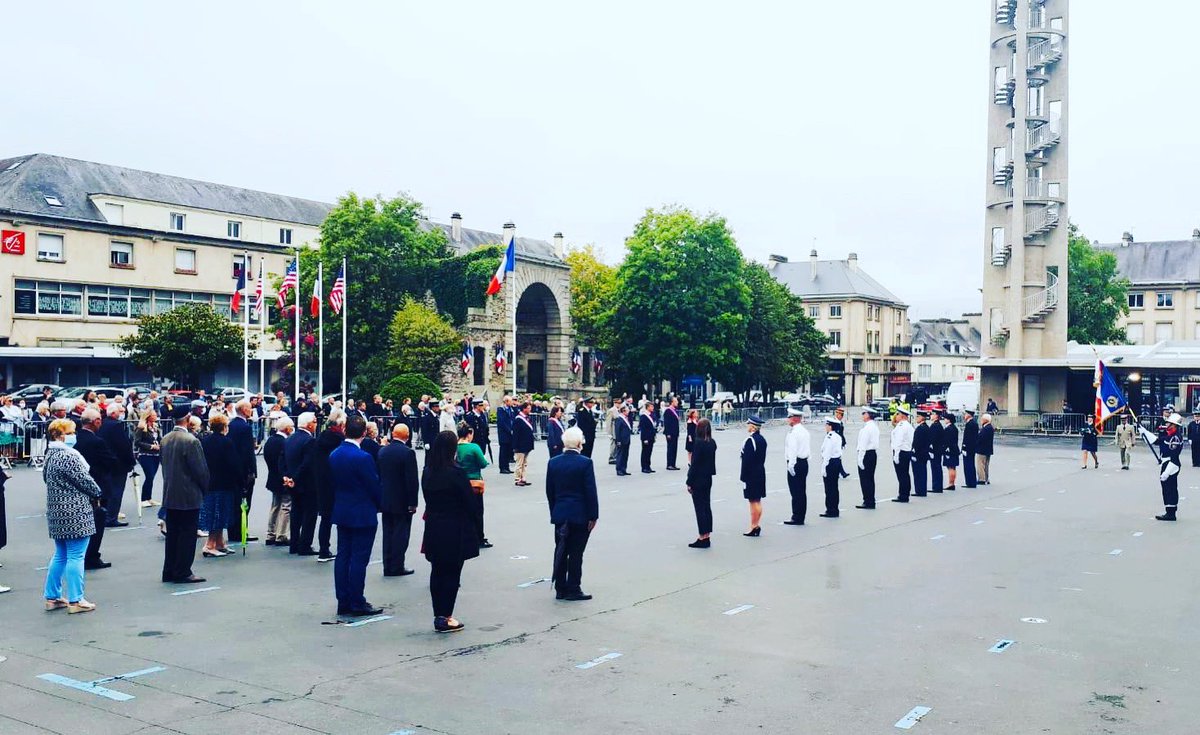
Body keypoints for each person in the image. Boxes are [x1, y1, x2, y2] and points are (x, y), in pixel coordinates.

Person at [40, 419, 103, 612]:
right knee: (76, 555)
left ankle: (52, 596)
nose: (74, 435)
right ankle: (76, 600)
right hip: (75, 510)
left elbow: (45, 478)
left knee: (60, 554)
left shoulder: (50, 454)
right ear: (59, 435)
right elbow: (86, 481)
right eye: (70, 432)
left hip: (56, 510)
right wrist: (98, 493)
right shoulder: (69, 456)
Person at [421, 431, 481, 633]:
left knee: (437, 571)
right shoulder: (456, 472)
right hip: (454, 526)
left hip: (434, 524)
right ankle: (446, 615)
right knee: (452, 573)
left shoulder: (428, 471)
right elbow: (469, 502)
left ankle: (438, 613)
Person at [329, 415, 384, 617]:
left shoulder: (335, 454)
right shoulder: (363, 457)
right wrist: (380, 504)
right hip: (362, 511)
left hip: (343, 509)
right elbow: (373, 485)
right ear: (364, 433)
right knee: (359, 559)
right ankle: (357, 600)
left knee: (343, 556)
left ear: (345, 430)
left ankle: (343, 599)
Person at [546, 427, 598, 600]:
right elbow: (590, 491)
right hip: (579, 514)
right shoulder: (585, 462)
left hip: (561, 512)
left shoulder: (553, 462)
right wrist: (593, 515)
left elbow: (550, 491)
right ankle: (574, 587)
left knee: (561, 550)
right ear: (579, 443)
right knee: (576, 552)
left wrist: (554, 511)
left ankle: (560, 588)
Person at [160, 405, 209, 584]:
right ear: (188, 419)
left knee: (173, 534)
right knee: (187, 534)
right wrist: (205, 488)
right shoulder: (191, 441)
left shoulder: (165, 439)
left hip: (170, 492)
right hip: (188, 494)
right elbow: (200, 470)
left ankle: (169, 570)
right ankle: (183, 571)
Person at [73, 409, 115, 570]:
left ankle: (83, 554)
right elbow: (109, 461)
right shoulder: (97, 442)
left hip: (79, 486)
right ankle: (92, 556)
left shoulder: (76, 438)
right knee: (97, 524)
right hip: (97, 484)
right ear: (94, 421)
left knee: (82, 523)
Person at [378, 423, 419, 576]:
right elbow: (411, 480)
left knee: (387, 533)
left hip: (386, 497)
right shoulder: (407, 453)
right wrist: (413, 502)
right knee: (401, 534)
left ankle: (387, 565)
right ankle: (397, 565)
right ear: (407, 435)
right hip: (402, 500)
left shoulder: (383, 451)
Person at [199, 414, 239, 557]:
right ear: (224, 427)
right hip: (224, 482)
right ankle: (209, 544)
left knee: (215, 511)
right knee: (219, 513)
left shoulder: (205, 441)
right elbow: (233, 463)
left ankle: (220, 542)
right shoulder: (227, 442)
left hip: (209, 481)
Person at [313, 409, 347, 562]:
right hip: (334, 481)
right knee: (340, 518)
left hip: (322, 481)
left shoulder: (321, 437)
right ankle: (337, 548)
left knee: (325, 518)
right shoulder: (339, 440)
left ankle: (324, 548)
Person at [284, 412, 320, 556]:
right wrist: (295, 478)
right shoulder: (310, 441)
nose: (316, 424)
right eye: (314, 421)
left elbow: (283, 459)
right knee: (309, 514)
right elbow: (307, 463)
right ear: (309, 424)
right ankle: (305, 545)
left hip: (292, 481)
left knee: (296, 512)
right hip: (306, 482)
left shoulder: (289, 439)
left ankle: (294, 543)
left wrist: (286, 476)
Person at [98, 404, 135, 527]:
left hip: (105, 463)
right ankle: (111, 517)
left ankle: (104, 516)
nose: (122, 413)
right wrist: (131, 461)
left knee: (107, 490)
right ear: (114, 413)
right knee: (116, 492)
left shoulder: (103, 423)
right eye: (120, 411)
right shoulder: (116, 426)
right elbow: (123, 445)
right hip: (118, 464)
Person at [227, 401, 258, 545]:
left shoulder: (232, 424)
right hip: (244, 471)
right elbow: (247, 452)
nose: (251, 410)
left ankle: (234, 531)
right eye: (250, 408)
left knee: (234, 502)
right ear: (244, 410)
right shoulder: (245, 427)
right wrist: (251, 471)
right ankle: (241, 531)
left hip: (232, 469)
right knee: (244, 503)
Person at [456, 421, 492, 549]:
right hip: (474, 481)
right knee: (477, 512)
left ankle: (464, 536)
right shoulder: (474, 447)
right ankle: (479, 538)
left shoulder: (454, 447)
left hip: (459, 482)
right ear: (469, 434)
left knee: (462, 511)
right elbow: (483, 463)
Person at [686, 418, 717, 548]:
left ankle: (702, 536)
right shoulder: (712, 442)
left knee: (699, 508)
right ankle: (707, 535)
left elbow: (694, 465)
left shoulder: (698, 443)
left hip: (698, 478)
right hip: (708, 477)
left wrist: (689, 481)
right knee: (706, 506)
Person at [263, 417, 292, 546]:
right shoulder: (285, 442)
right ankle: (281, 534)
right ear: (287, 428)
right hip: (283, 477)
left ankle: (271, 533)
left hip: (272, 476)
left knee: (275, 505)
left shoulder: (270, 440)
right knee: (286, 506)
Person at [1150, 412, 1184, 521]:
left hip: (1171, 464)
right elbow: (1158, 441)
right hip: (1167, 463)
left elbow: (1174, 456)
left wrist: (1167, 471)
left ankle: (1171, 513)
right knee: (1166, 488)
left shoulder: (1175, 438)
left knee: (1170, 488)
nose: (1166, 424)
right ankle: (1169, 511)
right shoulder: (1170, 435)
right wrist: (1144, 432)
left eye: (1168, 423)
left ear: (1174, 425)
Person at [740, 416, 767, 536]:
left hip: (751, 474)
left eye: (748, 424)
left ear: (752, 427)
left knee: (753, 501)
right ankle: (756, 524)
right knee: (757, 500)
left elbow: (747, 460)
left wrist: (743, 476)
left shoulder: (750, 441)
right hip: (760, 471)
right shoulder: (762, 439)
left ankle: (754, 526)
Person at [783, 408, 810, 524]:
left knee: (795, 491)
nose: (788, 419)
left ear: (794, 419)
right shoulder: (804, 431)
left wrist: (791, 465)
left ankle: (796, 516)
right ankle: (801, 516)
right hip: (804, 462)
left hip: (795, 463)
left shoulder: (794, 433)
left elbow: (793, 450)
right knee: (801, 491)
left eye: (789, 417)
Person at [135, 410, 163, 508]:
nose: (156, 416)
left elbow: (159, 439)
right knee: (149, 476)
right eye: (154, 415)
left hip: (156, 455)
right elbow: (137, 442)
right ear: (148, 416)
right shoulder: (141, 428)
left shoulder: (155, 427)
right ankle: (143, 499)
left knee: (152, 477)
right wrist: (151, 446)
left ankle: (149, 498)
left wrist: (160, 444)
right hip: (145, 455)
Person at [856, 408, 879, 509]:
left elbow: (863, 444)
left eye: (863, 413)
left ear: (868, 415)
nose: (862, 415)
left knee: (865, 479)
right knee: (870, 478)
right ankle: (871, 500)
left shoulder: (867, 428)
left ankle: (867, 501)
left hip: (866, 454)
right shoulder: (874, 427)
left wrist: (860, 459)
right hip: (872, 454)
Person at [820, 417, 844, 518]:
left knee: (829, 488)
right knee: (834, 487)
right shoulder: (837, 436)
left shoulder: (830, 437)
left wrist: (824, 466)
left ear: (830, 426)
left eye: (826, 425)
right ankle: (834, 509)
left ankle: (831, 510)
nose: (825, 427)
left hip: (830, 462)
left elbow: (827, 453)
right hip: (836, 461)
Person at [891, 407, 914, 502]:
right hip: (906, 451)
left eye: (897, 414)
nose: (896, 416)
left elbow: (898, 441)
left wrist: (896, 454)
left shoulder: (902, 426)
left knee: (902, 475)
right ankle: (904, 494)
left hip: (901, 452)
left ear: (902, 416)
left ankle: (903, 495)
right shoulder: (908, 426)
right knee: (905, 474)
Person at [512, 402, 535, 487]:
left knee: (524, 463)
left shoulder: (527, 418)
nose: (530, 410)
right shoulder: (518, 419)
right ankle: (517, 479)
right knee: (519, 463)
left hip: (526, 445)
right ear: (524, 409)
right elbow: (515, 434)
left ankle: (523, 478)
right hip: (520, 445)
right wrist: (515, 446)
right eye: (528, 408)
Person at [911, 410, 931, 497]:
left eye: (918, 416)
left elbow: (918, 442)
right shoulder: (925, 427)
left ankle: (920, 490)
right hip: (923, 453)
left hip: (919, 454)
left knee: (919, 473)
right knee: (921, 472)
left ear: (922, 417)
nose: (916, 418)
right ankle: (921, 490)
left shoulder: (921, 428)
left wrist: (914, 452)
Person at [927, 408, 945, 492]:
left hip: (935, 450)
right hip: (937, 450)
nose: (931, 416)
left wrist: (931, 449)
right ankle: (937, 486)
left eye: (932, 414)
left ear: (936, 416)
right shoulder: (936, 425)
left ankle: (937, 486)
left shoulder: (936, 426)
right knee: (936, 467)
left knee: (936, 468)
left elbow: (933, 439)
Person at [960, 409, 979, 488]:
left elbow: (968, 437)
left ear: (969, 415)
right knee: (971, 464)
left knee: (968, 465)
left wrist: (964, 447)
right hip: (972, 447)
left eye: (965, 414)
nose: (964, 415)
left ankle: (970, 482)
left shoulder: (969, 424)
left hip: (968, 448)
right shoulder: (974, 423)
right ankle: (972, 481)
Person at [613, 404, 633, 476]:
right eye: (627, 410)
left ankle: (624, 469)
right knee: (620, 455)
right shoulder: (619, 419)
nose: (628, 412)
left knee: (625, 455)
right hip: (621, 440)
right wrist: (618, 441)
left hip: (626, 439)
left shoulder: (626, 418)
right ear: (623, 411)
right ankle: (619, 469)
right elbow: (617, 431)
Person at [976, 414, 995, 485]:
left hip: (982, 449)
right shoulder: (990, 427)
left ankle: (982, 479)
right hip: (987, 449)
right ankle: (986, 478)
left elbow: (981, 438)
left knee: (980, 464)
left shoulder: (986, 428)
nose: (981, 420)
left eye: (982, 419)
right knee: (986, 465)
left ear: (985, 420)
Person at [496, 396, 514, 473]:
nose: (512, 402)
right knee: (503, 451)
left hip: (510, 434)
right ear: (506, 401)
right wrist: (509, 430)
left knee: (508, 451)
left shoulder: (511, 409)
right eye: (510, 401)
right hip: (503, 434)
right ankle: (502, 467)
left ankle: (507, 467)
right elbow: (502, 422)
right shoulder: (501, 410)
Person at [941, 412, 959, 490]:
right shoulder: (954, 428)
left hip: (950, 450)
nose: (944, 420)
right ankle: (952, 483)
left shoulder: (949, 428)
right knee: (952, 467)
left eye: (945, 418)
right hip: (954, 449)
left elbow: (948, 440)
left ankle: (951, 484)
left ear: (949, 420)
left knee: (950, 467)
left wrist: (945, 448)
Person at [663, 397, 682, 471]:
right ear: (672, 402)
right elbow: (667, 423)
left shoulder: (675, 410)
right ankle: (669, 464)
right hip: (670, 433)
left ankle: (673, 464)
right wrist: (668, 433)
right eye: (676, 401)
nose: (677, 402)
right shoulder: (668, 411)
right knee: (670, 448)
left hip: (675, 433)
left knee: (674, 448)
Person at [638, 402, 657, 474]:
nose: (653, 408)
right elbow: (643, 428)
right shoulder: (644, 416)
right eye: (651, 407)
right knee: (645, 452)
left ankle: (648, 466)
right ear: (648, 407)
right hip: (646, 437)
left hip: (651, 436)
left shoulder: (652, 415)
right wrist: (645, 438)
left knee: (649, 452)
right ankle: (644, 467)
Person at [606, 399, 621, 464]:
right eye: (618, 403)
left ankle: (616, 456)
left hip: (618, 430)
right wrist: (609, 433)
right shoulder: (611, 410)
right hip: (613, 430)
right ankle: (611, 457)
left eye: (620, 403)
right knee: (613, 444)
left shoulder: (619, 410)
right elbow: (608, 422)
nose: (619, 404)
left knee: (618, 444)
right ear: (615, 403)